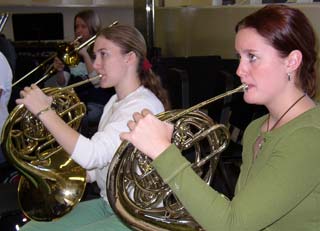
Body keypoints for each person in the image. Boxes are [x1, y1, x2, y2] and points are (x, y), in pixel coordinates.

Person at [121, 4, 320, 230]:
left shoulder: (308, 138)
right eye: (239, 57)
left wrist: (162, 151)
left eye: (252, 57)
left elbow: (231, 225)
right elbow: (243, 210)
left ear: (292, 62)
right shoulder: (258, 127)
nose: (239, 70)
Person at [17, 24, 170, 230]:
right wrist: (56, 175)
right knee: (31, 229)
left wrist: (45, 112)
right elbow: (101, 162)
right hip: (111, 205)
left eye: (104, 55)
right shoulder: (115, 101)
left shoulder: (142, 107)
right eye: (95, 55)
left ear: (129, 58)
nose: (96, 64)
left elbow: (92, 154)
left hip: (138, 216)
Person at [45, 9, 115, 137]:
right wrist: (59, 71)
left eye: (83, 26)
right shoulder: (72, 52)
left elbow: (96, 82)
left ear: (93, 27)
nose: (79, 30)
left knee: (82, 117)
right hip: (75, 100)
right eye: (76, 26)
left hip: (97, 102)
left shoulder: (101, 51)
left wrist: (85, 55)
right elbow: (63, 83)